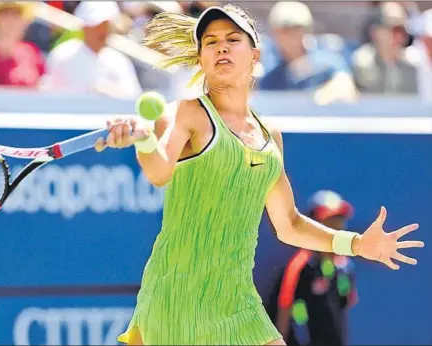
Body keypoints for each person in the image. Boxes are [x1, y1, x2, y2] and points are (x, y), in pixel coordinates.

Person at [95, 4, 425, 345]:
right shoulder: (188, 113)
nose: (221, 47)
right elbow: (159, 171)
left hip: (238, 302)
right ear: (202, 58)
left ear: (254, 55)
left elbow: (290, 225)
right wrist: (145, 140)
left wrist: (355, 244)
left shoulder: (270, 137)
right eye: (210, 42)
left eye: (232, 39)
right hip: (178, 299)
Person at [266, 190, 358, 346]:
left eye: (339, 220)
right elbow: (282, 312)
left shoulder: (345, 268)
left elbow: (344, 307)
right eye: (329, 222)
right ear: (313, 224)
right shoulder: (300, 266)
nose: (336, 228)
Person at [258, 2, 358, 105]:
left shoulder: (326, 59)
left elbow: (345, 86)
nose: (291, 35)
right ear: (274, 33)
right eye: (285, 29)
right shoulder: (268, 63)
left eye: (297, 28)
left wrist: (321, 96)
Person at [45, 1, 142, 99]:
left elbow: (132, 97)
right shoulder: (61, 56)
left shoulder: (119, 61)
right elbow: (51, 96)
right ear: (85, 27)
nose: (103, 30)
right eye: (98, 25)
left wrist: (112, 92)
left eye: (107, 24)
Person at [0, 1, 45, 88]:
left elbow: (41, 86)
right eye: (6, 16)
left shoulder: (31, 51)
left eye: (17, 16)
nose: (12, 22)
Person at [352, 2, 418, 94]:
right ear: (375, 32)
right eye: (394, 30)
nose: (400, 37)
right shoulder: (362, 63)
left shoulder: (411, 66)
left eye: (403, 31)